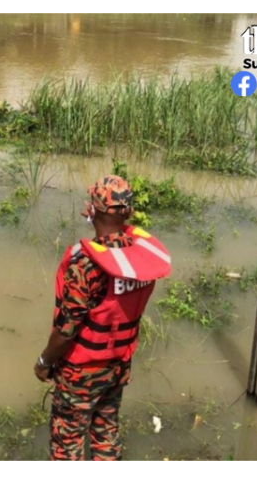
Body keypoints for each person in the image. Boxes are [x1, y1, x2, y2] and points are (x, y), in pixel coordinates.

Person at [33, 175, 171, 460]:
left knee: (66, 447)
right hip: (118, 366)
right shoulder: (140, 259)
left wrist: (44, 361)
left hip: (81, 373)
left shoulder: (85, 265)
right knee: (106, 432)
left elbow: (67, 330)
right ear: (129, 212)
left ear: (91, 210)